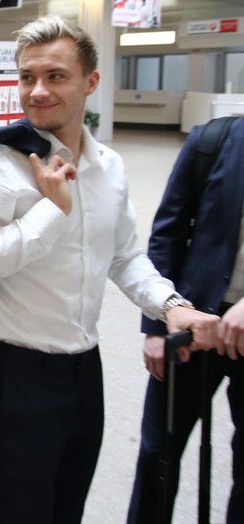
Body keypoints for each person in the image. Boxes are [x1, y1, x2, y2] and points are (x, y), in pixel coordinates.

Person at [0, 14, 221, 523]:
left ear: (91, 82)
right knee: (20, 513)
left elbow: (124, 256)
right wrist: (50, 212)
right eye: (27, 77)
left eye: (55, 76)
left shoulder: (109, 166)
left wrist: (171, 306)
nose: (37, 91)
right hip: (12, 372)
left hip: (84, 367)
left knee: (68, 506)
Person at [127, 117, 243, 522]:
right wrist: (157, 326)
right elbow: (167, 234)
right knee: (158, 450)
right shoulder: (214, 140)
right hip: (191, 321)